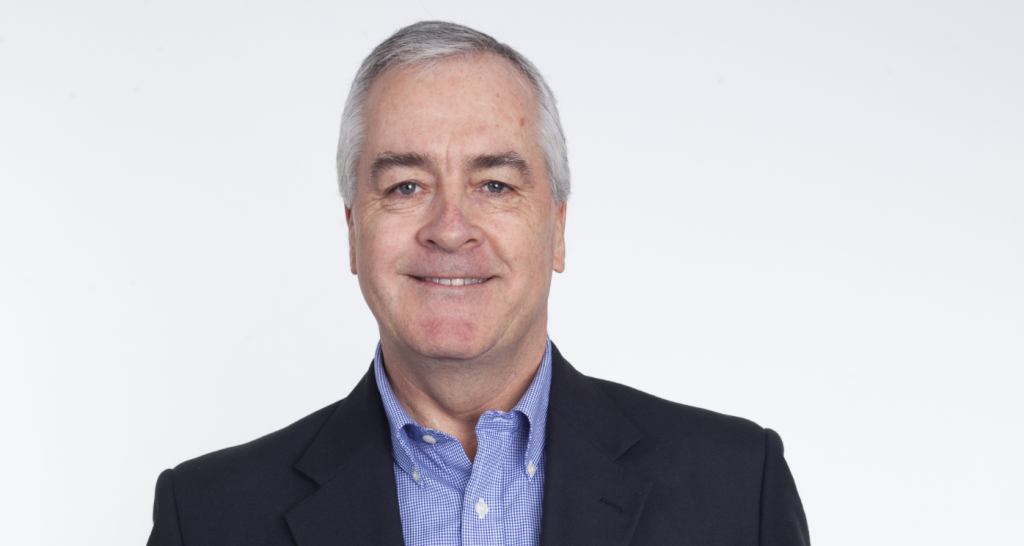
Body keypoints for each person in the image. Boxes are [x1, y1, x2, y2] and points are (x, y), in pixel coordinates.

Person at [146, 21, 809, 546]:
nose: (449, 228)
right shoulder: (207, 519)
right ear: (353, 232)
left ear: (557, 229)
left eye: (494, 185)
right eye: (406, 186)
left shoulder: (736, 491)